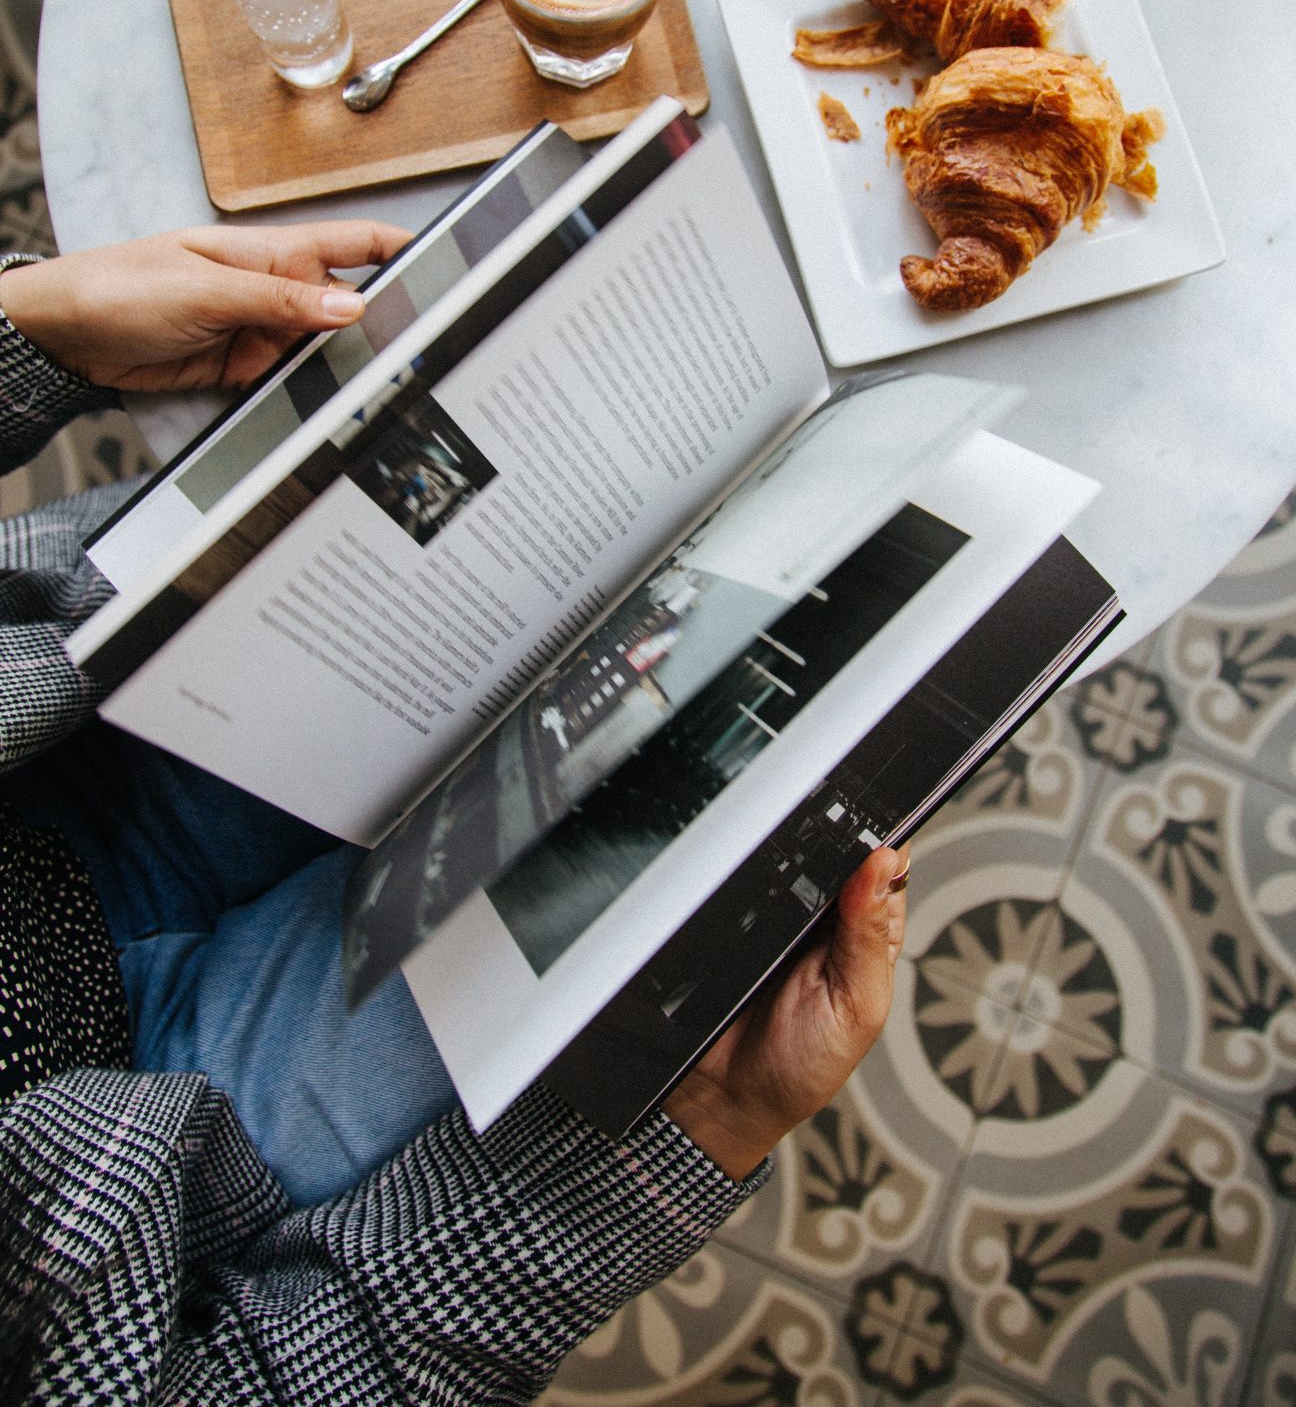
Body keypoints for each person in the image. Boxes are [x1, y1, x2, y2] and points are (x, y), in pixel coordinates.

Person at [0, 222, 908, 1401]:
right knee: (697, 777)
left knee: (566, 525)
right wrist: (695, 1139)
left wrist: (27, 327)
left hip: (57, 728)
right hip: (142, 1150)